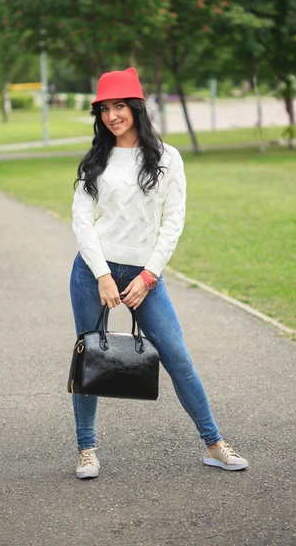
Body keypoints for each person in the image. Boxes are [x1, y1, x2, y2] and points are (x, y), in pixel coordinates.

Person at [70, 67, 248, 479]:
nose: (113, 116)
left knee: (178, 358)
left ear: (135, 107)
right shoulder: (95, 161)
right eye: (105, 109)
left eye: (120, 107)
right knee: (88, 359)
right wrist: (101, 275)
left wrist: (149, 276)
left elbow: (172, 223)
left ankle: (214, 443)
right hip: (92, 273)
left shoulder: (168, 159)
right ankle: (86, 449)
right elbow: (83, 222)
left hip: (144, 276)